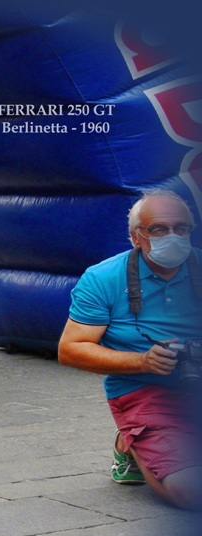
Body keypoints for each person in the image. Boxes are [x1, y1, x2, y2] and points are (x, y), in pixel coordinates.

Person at [58, 191, 202, 508]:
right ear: (136, 236)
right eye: (159, 229)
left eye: (182, 229)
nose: (173, 237)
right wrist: (144, 361)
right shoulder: (103, 278)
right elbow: (71, 349)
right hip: (144, 388)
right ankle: (134, 438)